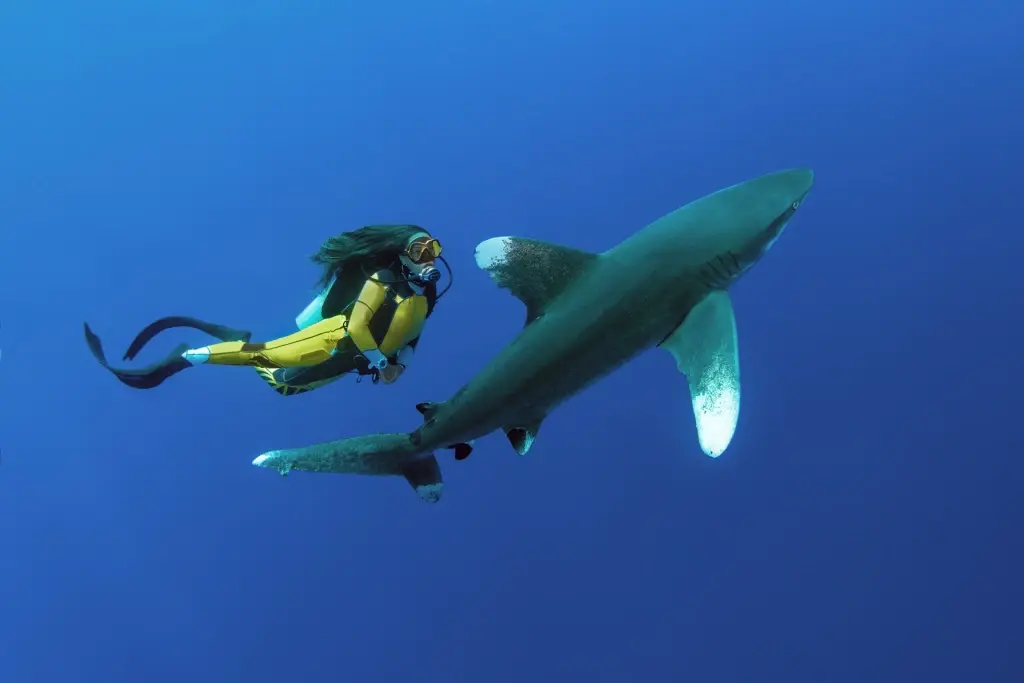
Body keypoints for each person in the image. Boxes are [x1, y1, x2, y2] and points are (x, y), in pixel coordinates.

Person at [84, 225, 451, 396]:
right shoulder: (384, 277)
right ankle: (188, 355)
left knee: (287, 389)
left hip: (360, 363)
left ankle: (232, 338)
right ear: (401, 253)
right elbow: (357, 325)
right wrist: (383, 364)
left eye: (433, 248)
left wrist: (401, 364)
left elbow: (415, 334)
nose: (428, 258)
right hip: (335, 341)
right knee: (267, 358)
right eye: (420, 250)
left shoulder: (430, 292)